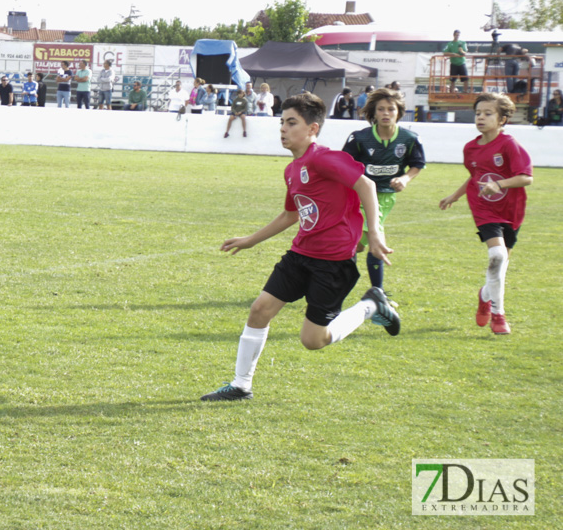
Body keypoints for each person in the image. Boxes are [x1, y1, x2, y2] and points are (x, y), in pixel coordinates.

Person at [201, 92, 399, 402]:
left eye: (292, 122)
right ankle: (241, 385)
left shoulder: (323, 157)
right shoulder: (292, 169)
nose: (283, 129)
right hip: (300, 255)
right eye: (281, 122)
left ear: (313, 128)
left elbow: (367, 184)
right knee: (259, 310)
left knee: (313, 340)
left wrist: (374, 232)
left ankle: (371, 305)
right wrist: (250, 240)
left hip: (333, 263)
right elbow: (292, 213)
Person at [439, 93, 533, 335]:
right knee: (497, 256)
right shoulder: (470, 148)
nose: (481, 118)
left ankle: (484, 295)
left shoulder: (509, 145)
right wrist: (455, 195)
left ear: (502, 119)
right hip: (484, 209)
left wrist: (499, 185)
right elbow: (475, 178)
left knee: (501, 264)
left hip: (511, 211)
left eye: (488, 114)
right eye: (478, 113)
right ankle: (498, 315)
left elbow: (526, 178)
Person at [343, 87, 425, 293]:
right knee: (373, 236)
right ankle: (378, 294)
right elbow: (343, 166)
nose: (386, 113)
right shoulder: (359, 138)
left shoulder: (409, 139)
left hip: (386, 197)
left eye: (391, 109)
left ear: (399, 112)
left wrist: (405, 179)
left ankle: (340, 282)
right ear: (373, 112)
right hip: (359, 195)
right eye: (381, 109)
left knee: (356, 245)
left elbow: (417, 164)